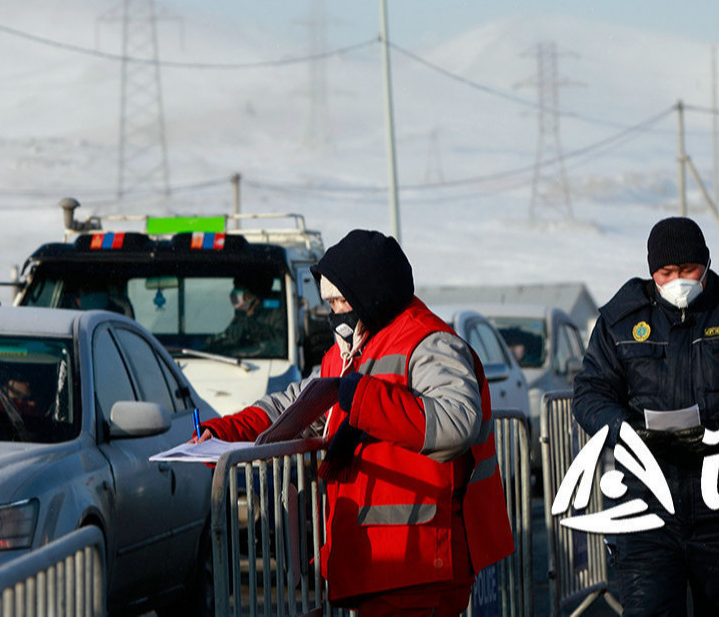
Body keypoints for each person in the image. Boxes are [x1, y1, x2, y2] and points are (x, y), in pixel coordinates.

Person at [196, 229, 514, 616]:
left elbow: (455, 422)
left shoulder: (430, 343)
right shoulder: (348, 352)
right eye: (328, 303)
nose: (335, 313)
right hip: (378, 562)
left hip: (421, 561)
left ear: (371, 292)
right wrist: (225, 432)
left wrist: (362, 397)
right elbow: (295, 404)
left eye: (342, 300)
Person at [572, 216, 719, 617]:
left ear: (707, 263)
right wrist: (627, 431)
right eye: (666, 272)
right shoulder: (620, 320)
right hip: (645, 508)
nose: (678, 280)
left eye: (688, 270)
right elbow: (590, 393)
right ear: (651, 273)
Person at [204, 275, 286, 356]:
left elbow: (283, 342)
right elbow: (233, 337)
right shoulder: (242, 314)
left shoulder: (279, 311)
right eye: (235, 287)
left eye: (240, 288)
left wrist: (252, 328)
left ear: (251, 295)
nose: (235, 292)